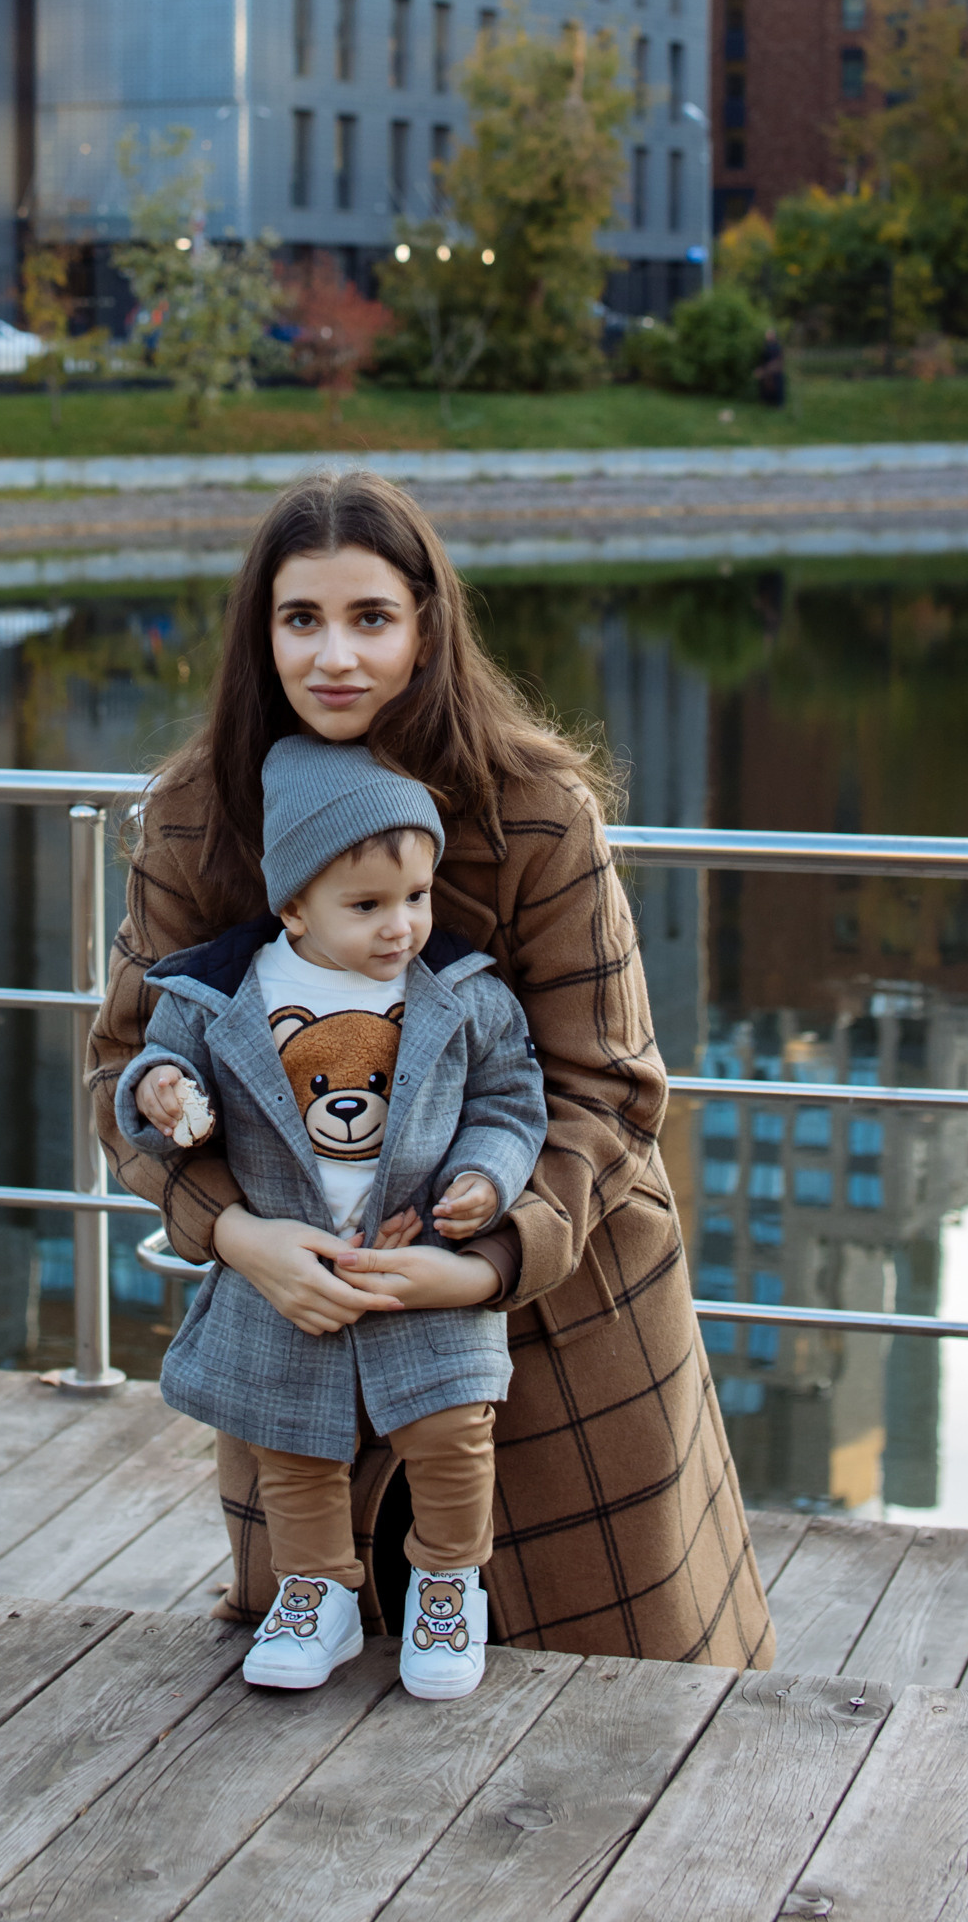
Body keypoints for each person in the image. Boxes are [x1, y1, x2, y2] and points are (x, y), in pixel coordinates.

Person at [89, 468, 775, 1668]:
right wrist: (237, 1240)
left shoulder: (535, 812)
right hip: (300, 1306)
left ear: (424, 625)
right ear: (262, 634)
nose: (334, 657)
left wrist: (485, 1261)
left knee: (596, 1698)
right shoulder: (200, 816)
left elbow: (609, 1091)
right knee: (314, 1684)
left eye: (370, 618)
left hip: (547, 1310)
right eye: (301, 619)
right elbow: (122, 1072)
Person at [116, 733, 548, 1699]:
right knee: (294, 1450)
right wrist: (163, 1096)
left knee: (452, 1435)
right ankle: (318, 1592)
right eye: (366, 906)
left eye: (417, 897)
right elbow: (152, 1065)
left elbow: (512, 1100)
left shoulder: (461, 994)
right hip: (289, 1277)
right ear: (293, 907)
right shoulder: (222, 991)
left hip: (420, 1263)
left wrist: (485, 1175)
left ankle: (448, 1585)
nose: (401, 927)